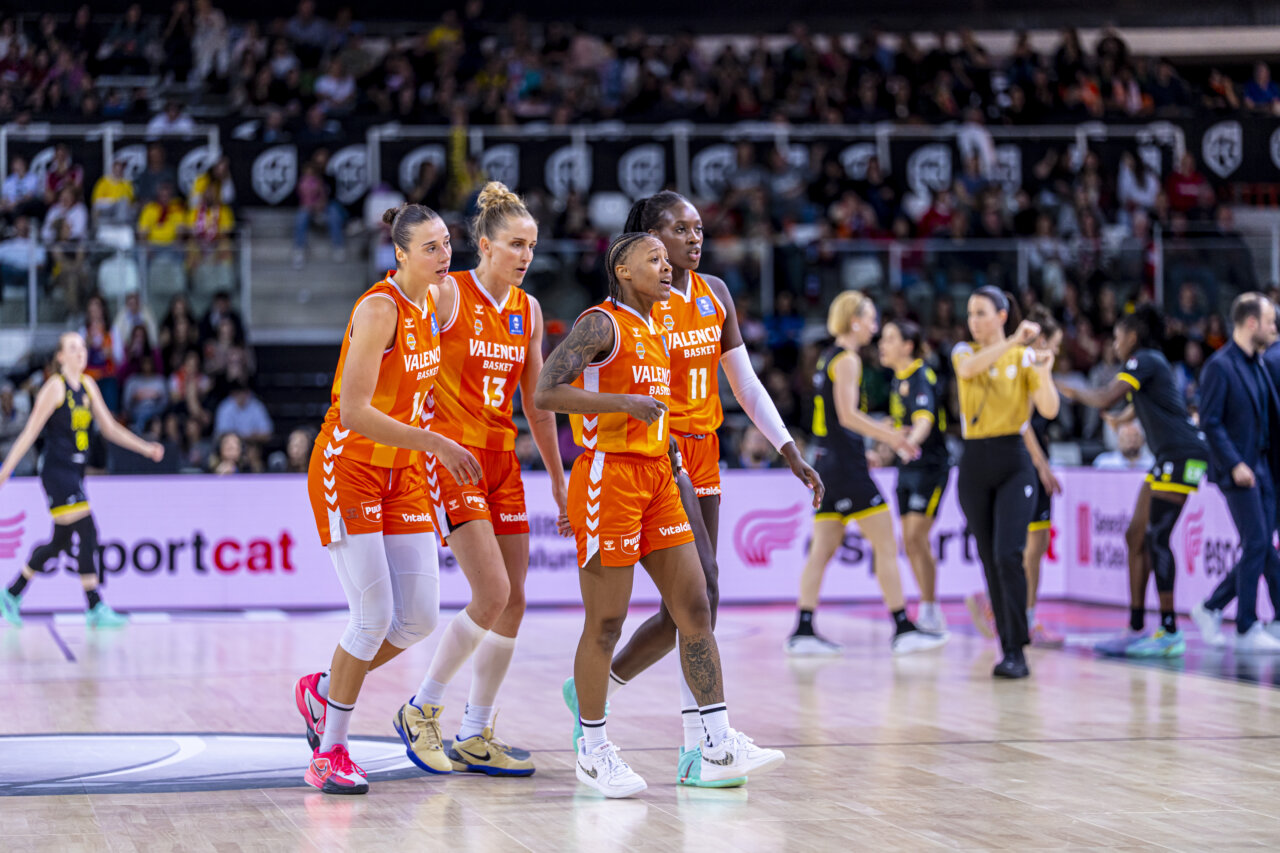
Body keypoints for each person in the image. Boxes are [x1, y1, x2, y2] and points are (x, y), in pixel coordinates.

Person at [566, 191, 822, 789]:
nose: (694, 236)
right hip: (655, 450)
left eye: (698, 227)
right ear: (648, 236)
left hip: (704, 451)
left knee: (692, 603)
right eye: (679, 228)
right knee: (699, 593)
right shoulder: (636, 306)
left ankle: (644, 716)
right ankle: (701, 742)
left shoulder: (714, 294)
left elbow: (746, 383)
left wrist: (788, 448)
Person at [292, 203, 482, 796]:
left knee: (420, 617)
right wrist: (435, 442)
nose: (444, 255)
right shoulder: (380, 308)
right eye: (430, 247)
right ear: (400, 254)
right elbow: (354, 412)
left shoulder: (432, 304)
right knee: (371, 618)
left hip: (402, 472)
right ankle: (330, 752)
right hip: (348, 469)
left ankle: (325, 688)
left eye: (447, 243)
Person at [394, 183, 569, 778]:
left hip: (503, 462)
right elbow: (400, 322)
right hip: (454, 458)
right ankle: (423, 707)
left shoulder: (529, 310)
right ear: (485, 247)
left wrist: (559, 480)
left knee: (515, 602)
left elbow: (539, 405)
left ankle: (476, 732)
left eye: (533, 246)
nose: (525, 256)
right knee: (490, 594)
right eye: (516, 244)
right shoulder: (448, 294)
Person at [787, 291, 943, 658]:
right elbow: (847, 417)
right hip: (845, 466)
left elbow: (838, 421)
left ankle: (803, 629)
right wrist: (893, 438)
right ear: (854, 321)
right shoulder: (848, 360)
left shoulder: (828, 357)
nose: (875, 327)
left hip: (830, 461)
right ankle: (903, 626)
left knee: (822, 551)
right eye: (871, 319)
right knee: (886, 544)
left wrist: (875, 440)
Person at [1059, 304, 1211, 657]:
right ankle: (1137, 626)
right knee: (1135, 535)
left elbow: (1102, 396)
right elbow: (1145, 404)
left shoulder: (1142, 360)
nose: (1114, 343)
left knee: (1158, 537)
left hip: (1182, 456)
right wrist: (1120, 417)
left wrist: (1057, 384)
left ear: (1132, 336)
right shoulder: (1149, 364)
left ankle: (1170, 631)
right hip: (1167, 457)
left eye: (1116, 336)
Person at [0, 333, 165, 629]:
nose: (80, 353)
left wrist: (145, 448)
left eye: (83, 347)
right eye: (73, 348)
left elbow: (111, 429)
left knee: (59, 541)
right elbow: (30, 432)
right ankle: (94, 606)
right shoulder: (55, 387)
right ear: (60, 356)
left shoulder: (88, 386)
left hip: (76, 472)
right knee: (88, 530)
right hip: (56, 471)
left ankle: (11, 593)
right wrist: (5, 470)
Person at [952, 287, 1059, 679]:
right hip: (975, 462)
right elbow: (968, 371)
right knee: (988, 558)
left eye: (981, 312)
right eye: (970, 313)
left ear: (1001, 315)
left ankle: (1016, 647)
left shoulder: (1024, 356)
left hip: (1015, 460)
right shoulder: (964, 352)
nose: (973, 320)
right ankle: (1006, 645)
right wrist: (1015, 340)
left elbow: (1048, 408)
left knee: (1007, 554)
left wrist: (1044, 370)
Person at [1186, 294, 1280, 652]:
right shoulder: (1220, 366)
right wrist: (1235, 463)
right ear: (1251, 323)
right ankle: (1245, 626)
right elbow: (1210, 422)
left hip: (1263, 468)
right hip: (1238, 470)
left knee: (1259, 548)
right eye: (1270, 321)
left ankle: (1210, 608)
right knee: (1257, 542)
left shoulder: (1256, 365)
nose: (1275, 327)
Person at [878, 319, 950, 634]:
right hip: (906, 469)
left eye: (890, 338)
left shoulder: (922, 375)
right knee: (910, 541)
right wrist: (885, 448)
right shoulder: (897, 380)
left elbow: (924, 420)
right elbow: (902, 425)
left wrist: (909, 442)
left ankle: (931, 609)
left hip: (929, 468)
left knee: (917, 537)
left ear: (908, 346)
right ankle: (928, 607)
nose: (883, 344)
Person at [1091, 422, 1155, 471]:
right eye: (1127, 436)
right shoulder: (1104, 463)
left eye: (1136, 436)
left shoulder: (1152, 463)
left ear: (1142, 440)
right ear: (1118, 440)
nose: (1132, 440)